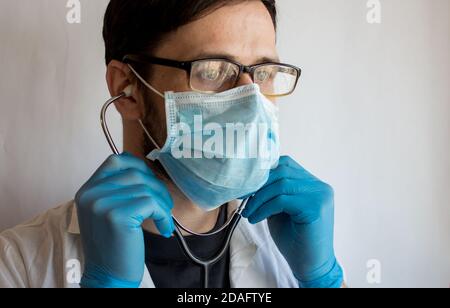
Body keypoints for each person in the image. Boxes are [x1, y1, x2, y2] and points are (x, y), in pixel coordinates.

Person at [0, 0, 344, 288]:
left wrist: (324, 280)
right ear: (127, 87)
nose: (251, 100)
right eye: (212, 71)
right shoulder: (17, 263)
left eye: (264, 72)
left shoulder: (291, 243)